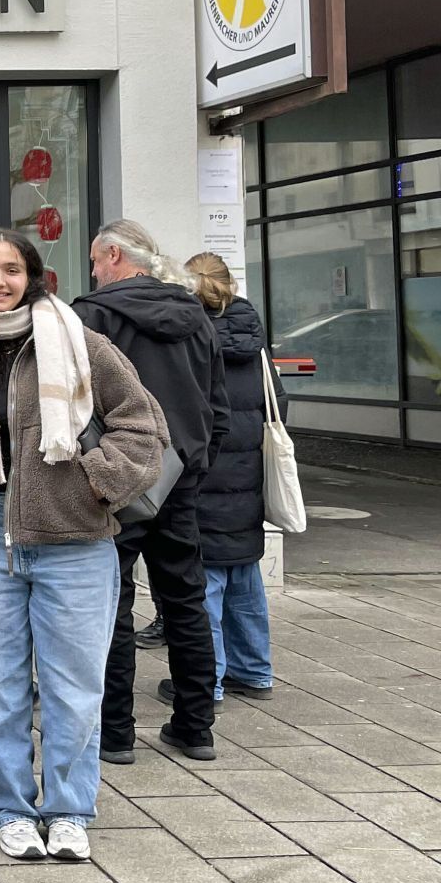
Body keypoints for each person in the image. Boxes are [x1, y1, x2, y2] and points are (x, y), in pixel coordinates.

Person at [0, 230, 167, 863]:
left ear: (33, 276)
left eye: (11, 269)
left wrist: (95, 482)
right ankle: (9, 809)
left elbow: (144, 426)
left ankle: (67, 810)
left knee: (73, 687)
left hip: (74, 537)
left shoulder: (79, 342)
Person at [75, 219, 230, 766]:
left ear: (114, 255)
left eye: (96, 260)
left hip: (116, 478)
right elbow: (217, 405)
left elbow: (76, 406)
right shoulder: (198, 317)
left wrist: (91, 468)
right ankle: (195, 727)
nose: (93, 271)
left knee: (110, 604)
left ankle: (115, 733)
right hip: (180, 476)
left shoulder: (91, 316)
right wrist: (193, 465)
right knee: (184, 599)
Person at [174, 252, 279, 707]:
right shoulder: (253, 338)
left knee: (207, 584)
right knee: (245, 577)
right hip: (248, 474)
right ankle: (255, 670)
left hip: (205, 472)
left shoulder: (190, 336)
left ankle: (210, 680)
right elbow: (279, 403)